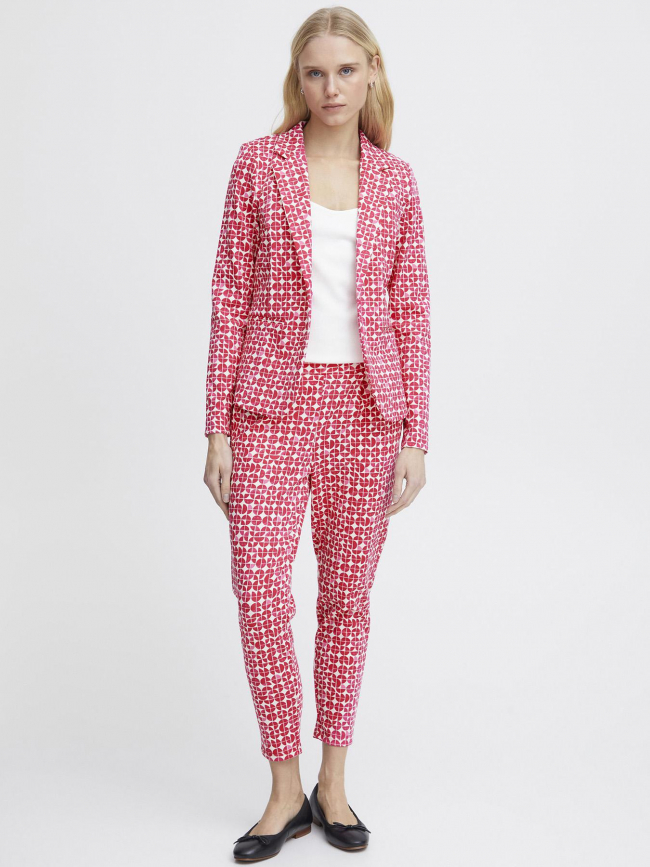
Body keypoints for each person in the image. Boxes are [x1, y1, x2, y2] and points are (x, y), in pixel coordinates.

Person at [203, 7, 431, 860]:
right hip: (269, 407)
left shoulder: (397, 180)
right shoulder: (257, 164)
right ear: (296, 81)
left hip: (367, 411)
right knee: (260, 591)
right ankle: (284, 787)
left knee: (346, 599)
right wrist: (216, 427)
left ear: (371, 74)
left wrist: (415, 433)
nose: (330, 87)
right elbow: (228, 292)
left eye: (344, 71)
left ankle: (333, 782)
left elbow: (412, 308)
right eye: (314, 73)